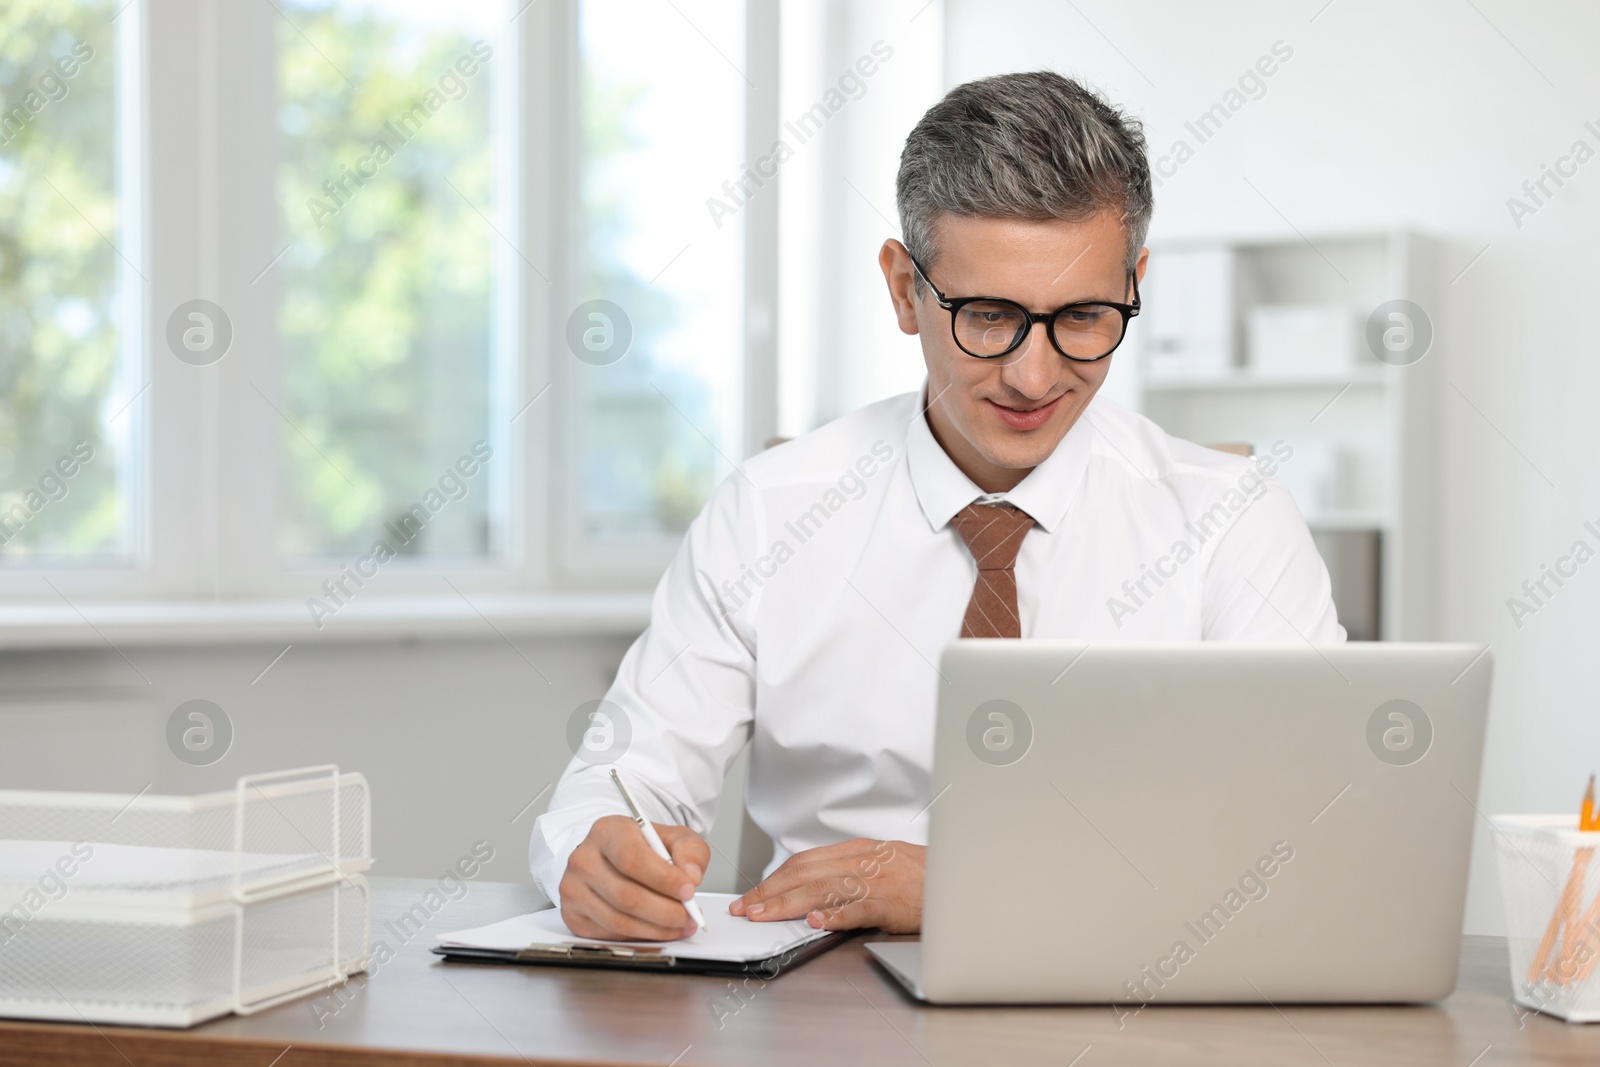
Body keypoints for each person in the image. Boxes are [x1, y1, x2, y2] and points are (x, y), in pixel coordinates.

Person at [530, 70, 1344, 942]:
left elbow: (1314, 836)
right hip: (821, 997)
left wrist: (975, 891)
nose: (1035, 376)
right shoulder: (772, 513)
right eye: (989, 316)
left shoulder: (1233, 520)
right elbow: (621, 778)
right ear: (902, 289)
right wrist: (596, 854)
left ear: (1135, 282)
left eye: (1083, 315)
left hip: (1136, 981)